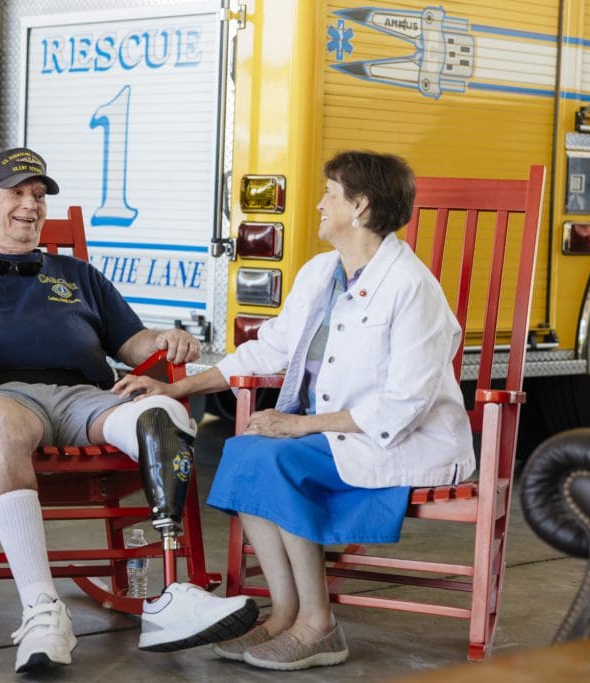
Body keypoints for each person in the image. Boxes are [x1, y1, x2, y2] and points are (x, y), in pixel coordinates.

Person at [0, 147, 256, 674]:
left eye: (38, 196)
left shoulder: (79, 274)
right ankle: (41, 608)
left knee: (163, 416)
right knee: (3, 423)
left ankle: (173, 594)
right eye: (17, 193)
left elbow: (132, 343)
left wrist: (166, 339)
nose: (31, 206)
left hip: (83, 399)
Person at [113, 150, 475, 671]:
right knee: (243, 451)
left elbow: (404, 404)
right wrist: (177, 389)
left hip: (401, 438)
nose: (320, 204)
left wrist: (300, 424)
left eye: (331, 193)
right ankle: (285, 613)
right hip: (330, 436)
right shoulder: (321, 273)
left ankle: (320, 625)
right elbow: (268, 350)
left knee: (277, 457)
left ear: (361, 206)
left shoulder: (412, 288)